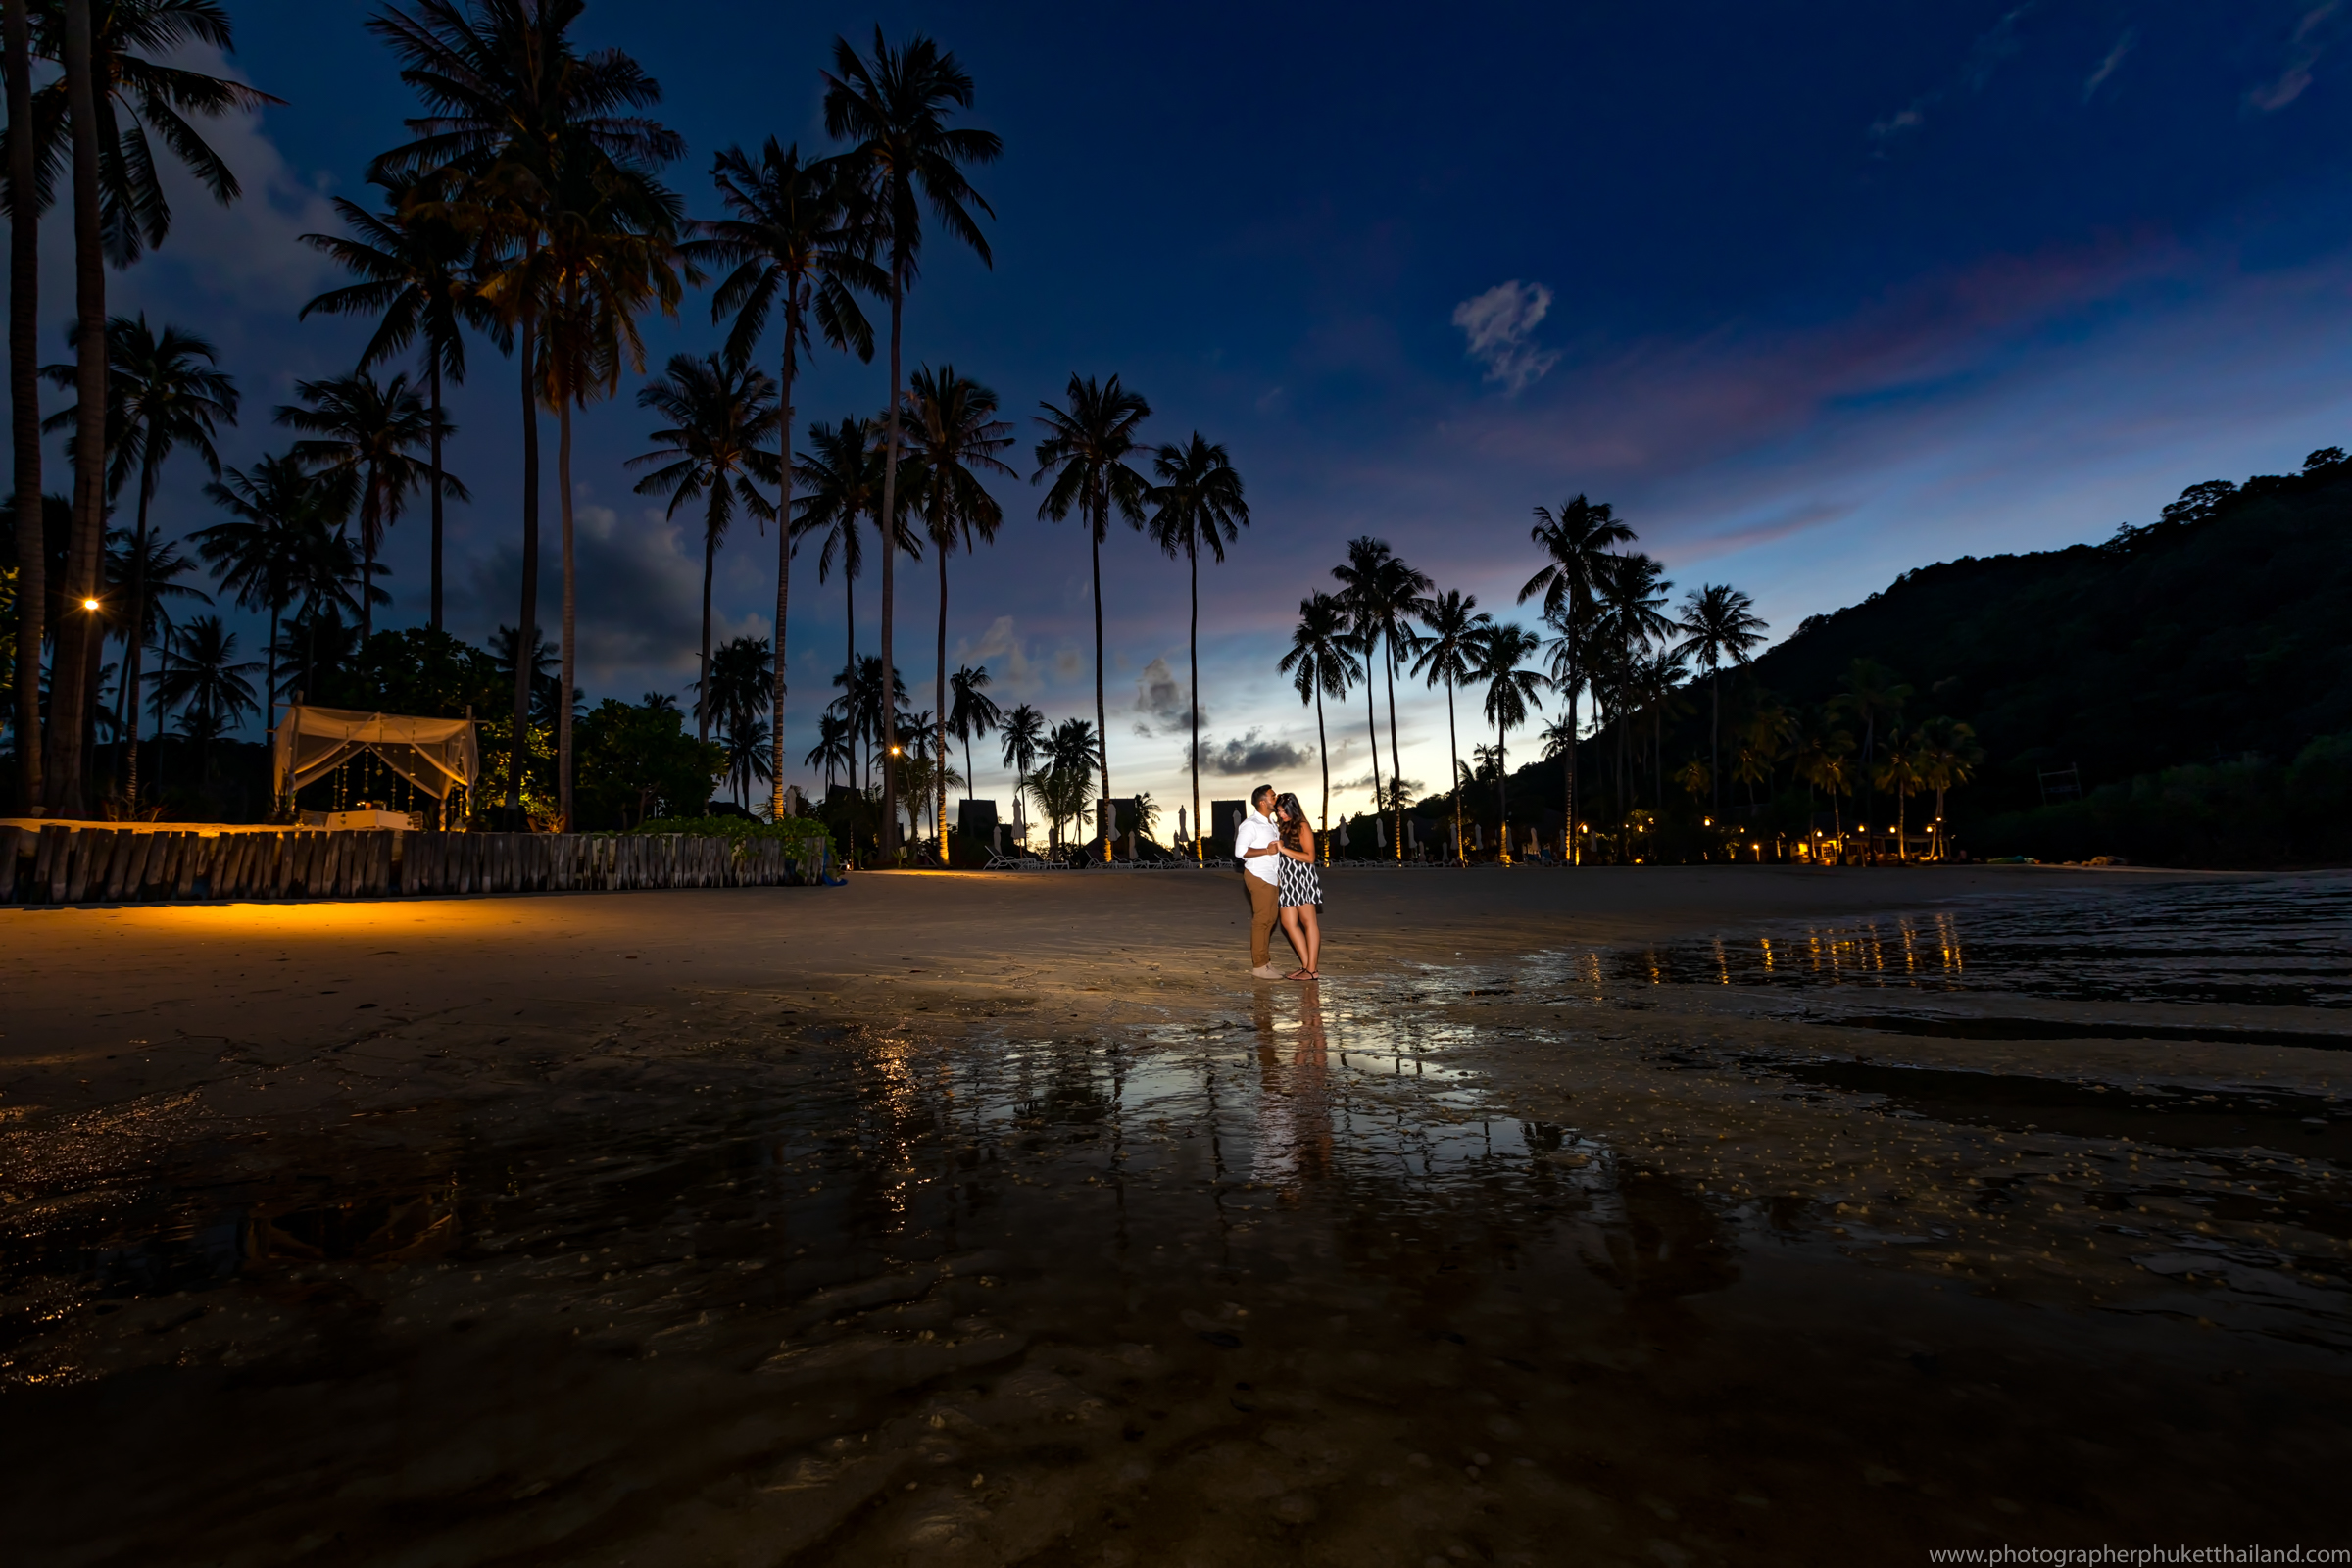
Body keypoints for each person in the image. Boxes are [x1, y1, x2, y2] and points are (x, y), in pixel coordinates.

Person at [1234, 784, 1294, 980]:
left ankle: (1266, 963)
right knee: (1262, 921)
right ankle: (1259, 966)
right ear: (1262, 802)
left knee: (1270, 919)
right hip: (1258, 875)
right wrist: (1266, 851)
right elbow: (1239, 851)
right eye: (1272, 796)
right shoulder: (1251, 824)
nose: (1276, 798)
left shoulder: (1271, 823)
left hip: (1271, 875)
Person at [1270, 791, 1323, 980]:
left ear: (1293, 808)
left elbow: (1310, 857)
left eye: (1284, 811)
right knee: (1288, 923)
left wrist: (1284, 849)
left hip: (1301, 876)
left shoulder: (1303, 826)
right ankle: (1307, 965)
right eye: (1278, 811)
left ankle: (1312, 970)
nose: (1281, 815)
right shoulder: (1284, 826)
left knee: (1309, 923)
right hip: (1287, 878)